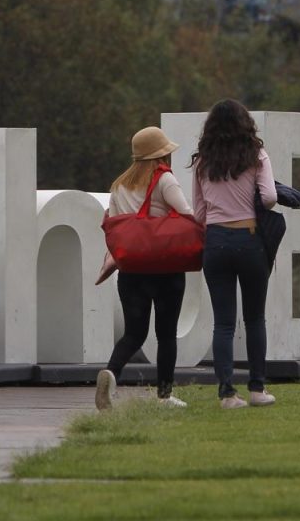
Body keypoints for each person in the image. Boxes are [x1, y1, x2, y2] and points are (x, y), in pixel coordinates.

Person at [95, 125, 193, 411]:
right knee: (166, 334)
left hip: (131, 271)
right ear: (161, 156)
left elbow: (114, 225)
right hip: (165, 270)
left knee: (134, 333)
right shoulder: (164, 179)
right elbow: (186, 215)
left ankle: (111, 373)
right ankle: (164, 395)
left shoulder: (119, 185)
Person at [190, 99, 276, 409]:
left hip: (215, 241)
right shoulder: (257, 156)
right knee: (255, 319)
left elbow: (199, 212)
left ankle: (227, 393)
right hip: (250, 239)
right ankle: (257, 389)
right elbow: (269, 198)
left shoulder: (203, 161)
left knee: (223, 323)